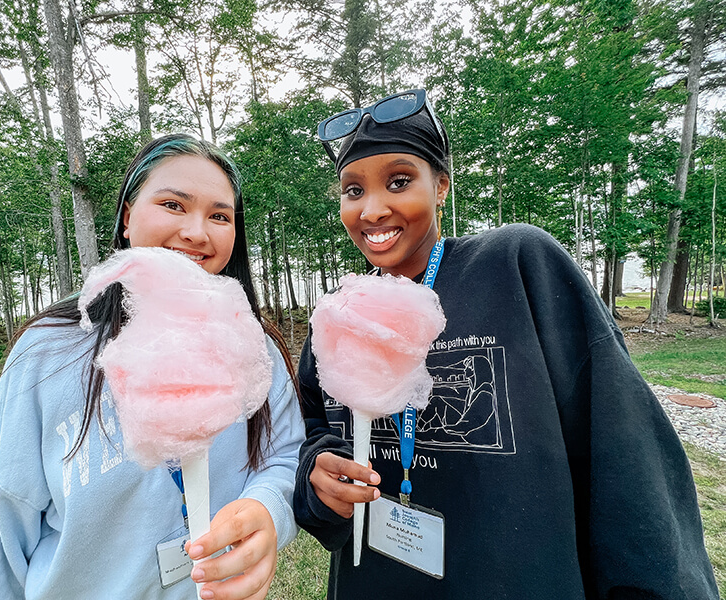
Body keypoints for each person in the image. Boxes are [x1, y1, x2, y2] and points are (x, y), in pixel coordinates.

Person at [293, 89, 719, 599]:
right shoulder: (338, 315)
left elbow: (625, 455)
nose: (373, 208)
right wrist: (318, 478)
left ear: (442, 187)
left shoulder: (517, 265)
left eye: (399, 181)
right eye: (352, 191)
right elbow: (312, 431)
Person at [0, 133, 305, 600]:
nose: (197, 232)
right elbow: (7, 522)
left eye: (220, 215)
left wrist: (268, 509)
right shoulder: (44, 354)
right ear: (127, 217)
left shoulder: (253, 345)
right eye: (173, 204)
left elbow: (286, 456)